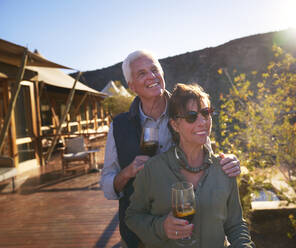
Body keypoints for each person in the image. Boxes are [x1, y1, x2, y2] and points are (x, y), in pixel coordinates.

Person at [100, 51, 242, 248]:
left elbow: (206, 156)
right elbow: (107, 184)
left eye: (154, 69)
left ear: (162, 73)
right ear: (131, 86)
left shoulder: (185, 109)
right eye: (141, 74)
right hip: (140, 236)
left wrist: (228, 161)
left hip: (190, 227)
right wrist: (127, 172)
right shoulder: (119, 126)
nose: (151, 76)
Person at [125, 83, 255, 248]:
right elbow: (132, 216)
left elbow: (235, 224)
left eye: (206, 113)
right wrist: (162, 227)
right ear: (175, 125)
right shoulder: (153, 170)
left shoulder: (224, 168)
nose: (202, 122)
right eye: (191, 116)